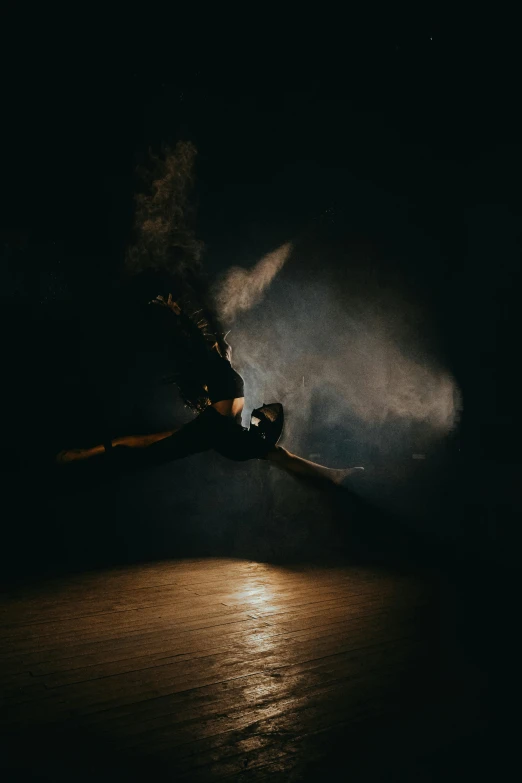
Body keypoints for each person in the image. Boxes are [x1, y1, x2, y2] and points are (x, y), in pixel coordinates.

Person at [57, 293, 364, 488]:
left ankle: (333, 475)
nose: (226, 343)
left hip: (223, 431)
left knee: (278, 454)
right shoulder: (211, 361)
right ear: (216, 348)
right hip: (216, 430)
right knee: (149, 447)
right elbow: (193, 339)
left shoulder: (225, 367)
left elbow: (214, 352)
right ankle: (84, 455)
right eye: (221, 343)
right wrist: (178, 315)